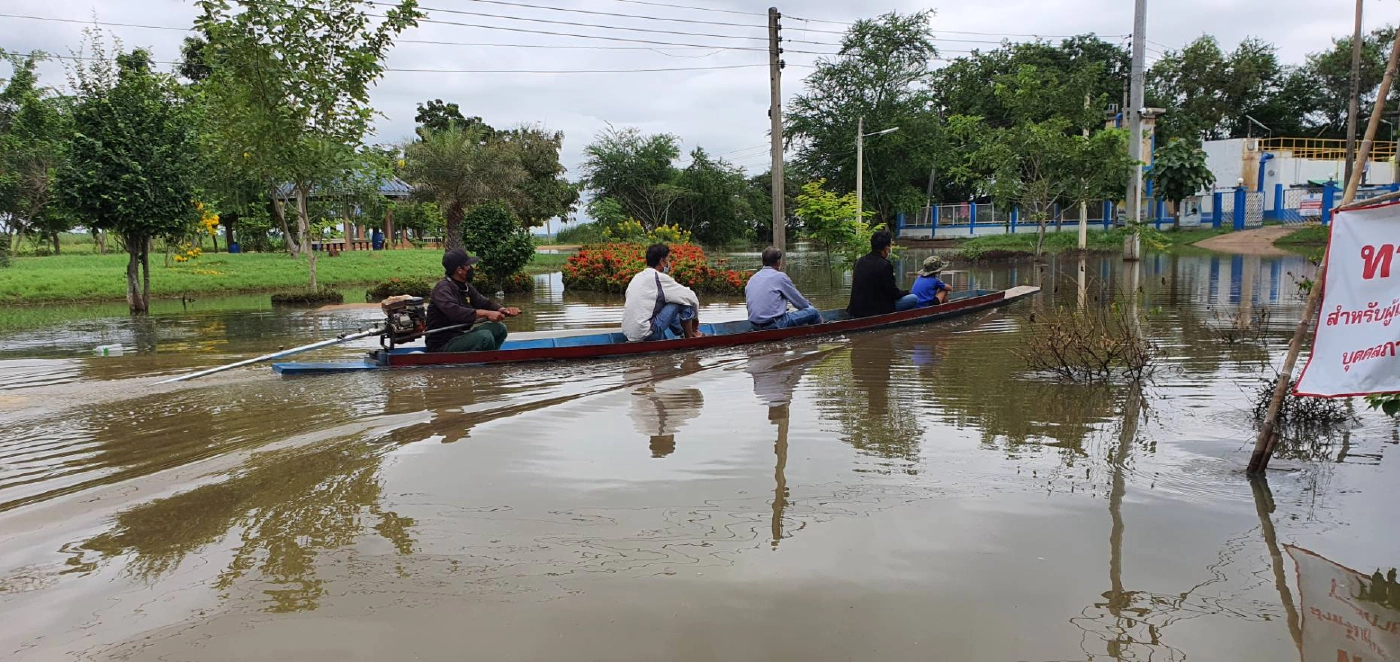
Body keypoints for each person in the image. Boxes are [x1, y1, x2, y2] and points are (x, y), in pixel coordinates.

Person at [425, 249, 521, 352]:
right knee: (485, 337)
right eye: (468, 265)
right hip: (442, 344)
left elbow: (484, 303)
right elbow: (455, 312)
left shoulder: (466, 287)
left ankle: (492, 357)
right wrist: (487, 313)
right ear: (459, 270)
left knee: (499, 328)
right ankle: (486, 361)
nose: (471, 268)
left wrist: (503, 310)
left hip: (460, 336)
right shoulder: (442, 289)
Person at [622, 243, 704, 342]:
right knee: (683, 302)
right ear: (662, 261)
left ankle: (682, 332)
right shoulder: (659, 278)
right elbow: (691, 297)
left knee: (669, 301)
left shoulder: (637, 277)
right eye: (668, 260)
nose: (669, 264)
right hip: (646, 335)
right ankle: (690, 337)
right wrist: (695, 320)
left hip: (629, 334)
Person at [745, 247, 822, 329]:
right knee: (813, 312)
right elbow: (800, 303)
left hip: (754, 325)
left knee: (789, 313)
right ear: (779, 262)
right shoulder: (780, 277)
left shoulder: (752, 279)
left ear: (763, 262)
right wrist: (810, 307)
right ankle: (821, 332)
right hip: (775, 324)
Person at [847, 230, 917, 317]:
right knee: (914, 298)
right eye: (891, 245)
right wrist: (907, 292)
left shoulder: (860, 261)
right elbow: (893, 293)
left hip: (855, 309)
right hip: (875, 310)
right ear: (886, 248)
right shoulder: (885, 265)